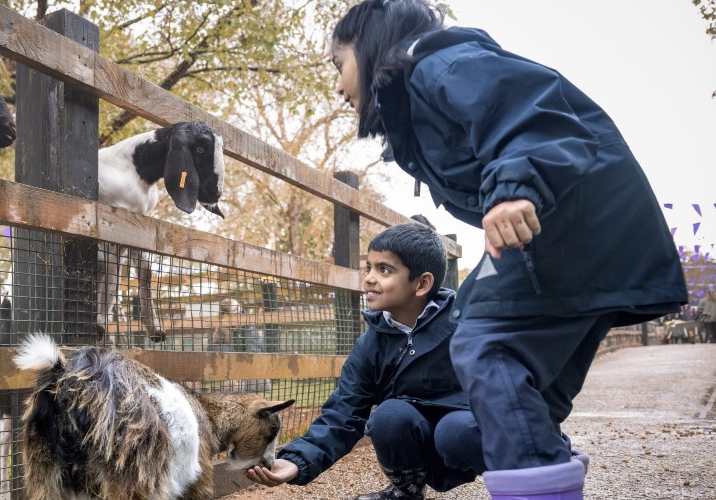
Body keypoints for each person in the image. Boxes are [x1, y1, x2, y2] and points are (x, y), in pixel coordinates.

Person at [322, 1, 687, 498]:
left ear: (367, 49)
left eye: (338, 64)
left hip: (568, 222)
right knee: (525, 375)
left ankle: (534, 483)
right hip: (578, 232)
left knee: (482, 343)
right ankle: (542, 470)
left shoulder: (441, 65)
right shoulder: (418, 110)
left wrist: (515, 187)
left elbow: (532, 116)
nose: (338, 86)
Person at [246, 222, 484, 500]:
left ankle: (511, 485)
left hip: (465, 437)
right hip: (412, 438)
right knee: (389, 416)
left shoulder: (463, 324)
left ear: (422, 284)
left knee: (456, 430)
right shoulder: (370, 345)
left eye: (384, 270)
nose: (369, 278)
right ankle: (406, 490)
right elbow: (343, 413)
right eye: (368, 268)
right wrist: (297, 460)